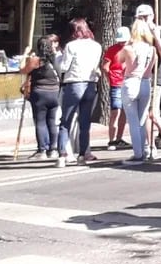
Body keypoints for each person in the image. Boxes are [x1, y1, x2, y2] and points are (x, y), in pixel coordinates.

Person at [57, 18, 103, 167]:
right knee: (85, 122)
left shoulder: (71, 46)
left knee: (65, 122)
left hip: (74, 84)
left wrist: (59, 57)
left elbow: (64, 67)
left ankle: (62, 155)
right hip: (90, 84)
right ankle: (83, 154)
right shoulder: (97, 46)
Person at [134, 5, 161, 159]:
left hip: (154, 78)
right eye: (140, 17)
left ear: (152, 16)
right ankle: (150, 146)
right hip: (139, 77)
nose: (143, 20)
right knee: (145, 114)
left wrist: (156, 37)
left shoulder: (160, 31)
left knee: (153, 113)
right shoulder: (136, 33)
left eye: (146, 17)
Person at [118, 20, 156, 165]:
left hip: (131, 81)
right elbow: (151, 67)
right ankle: (144, 149)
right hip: (145, 81)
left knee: (133, 120)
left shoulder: (129, 48)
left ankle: (138, 153)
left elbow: (120, 61)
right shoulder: (151, 49)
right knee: (142, 119)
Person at [21, 36, 61, 160]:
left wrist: (25, 55)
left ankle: (42, 149)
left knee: (40, 121)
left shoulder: (35, 60)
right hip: (55, 92)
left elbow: (22, 70)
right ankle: (53, 149)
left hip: (40, 93)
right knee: (51, 121)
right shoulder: (55, 60)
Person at [101, 26, 130, 151]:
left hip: (124, 82)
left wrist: (109, 78)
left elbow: (105, 67)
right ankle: (112, 140)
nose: (122, 43)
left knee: (122, 112)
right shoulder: (113, 50)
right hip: (118, 83)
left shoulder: (128, 49)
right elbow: (105, 67)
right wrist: (110, 79)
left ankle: (118, 138)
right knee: (116, 112)